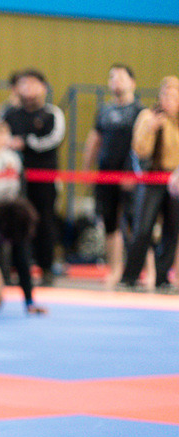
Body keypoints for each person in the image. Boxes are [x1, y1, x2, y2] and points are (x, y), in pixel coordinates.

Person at [0, 69, 66, 286]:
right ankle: (12, 269)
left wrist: (26, 143)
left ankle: (46, 269)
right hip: (13, 179)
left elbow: (53, 139)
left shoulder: (52, 113)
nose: (27, 89)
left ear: (43, 87)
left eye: (32, 83)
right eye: (23, 84)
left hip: (44, 178)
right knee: (14, 222)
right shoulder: (8, 113)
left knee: (44, 221)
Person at [82, 64, 143, 288]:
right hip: (106, 174)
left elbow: (142, 146)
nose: (116, 82)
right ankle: (115, 269)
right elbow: (94, 139)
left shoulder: (139, 111)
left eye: (121, 77)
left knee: (136, 223)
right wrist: (87, 168)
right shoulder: (105, 111)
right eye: (112, 78)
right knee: (110, 223)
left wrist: (133, 173)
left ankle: (145, 270)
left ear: (132, 82)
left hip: (130, 176)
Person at [118, 76, 179, 294]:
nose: (168, 100)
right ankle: (129, 277)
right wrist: (151, 128)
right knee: (143, 229)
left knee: (172, 231)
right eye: (165, 94)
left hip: (174, 181)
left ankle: (163, 278)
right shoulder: (147, 116)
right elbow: (139, 149)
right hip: (151, 179)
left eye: (173, 96)